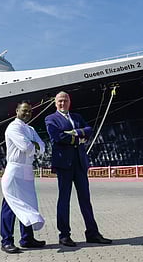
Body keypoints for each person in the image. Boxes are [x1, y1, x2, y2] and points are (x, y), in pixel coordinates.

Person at [45, 91, 112, 247]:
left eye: (65, 100)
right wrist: (78, 138)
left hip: (80, 163)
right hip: (64, 165)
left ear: (70, 102)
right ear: (55, 103)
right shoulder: (50, 119)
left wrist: (74, 133)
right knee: (64, 199)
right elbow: (57, 137)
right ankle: (64, 235)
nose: (63, 103)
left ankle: (92, 233)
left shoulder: (77, 117)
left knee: (85, 200)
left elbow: (89, 129)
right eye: (60, 101)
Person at [0, 101, 46, 254]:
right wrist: (35, 145)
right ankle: (6, 241)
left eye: (30, 111)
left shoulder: (31, 129)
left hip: (27, 170)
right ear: (17, 111)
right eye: (24, 110)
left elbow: (42, 147)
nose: (27, 113)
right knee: (10, 206)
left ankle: (27, 238)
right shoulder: (13, 127)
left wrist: (35, 145)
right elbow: (26, 146)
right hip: (15, 169)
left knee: (29, 204)